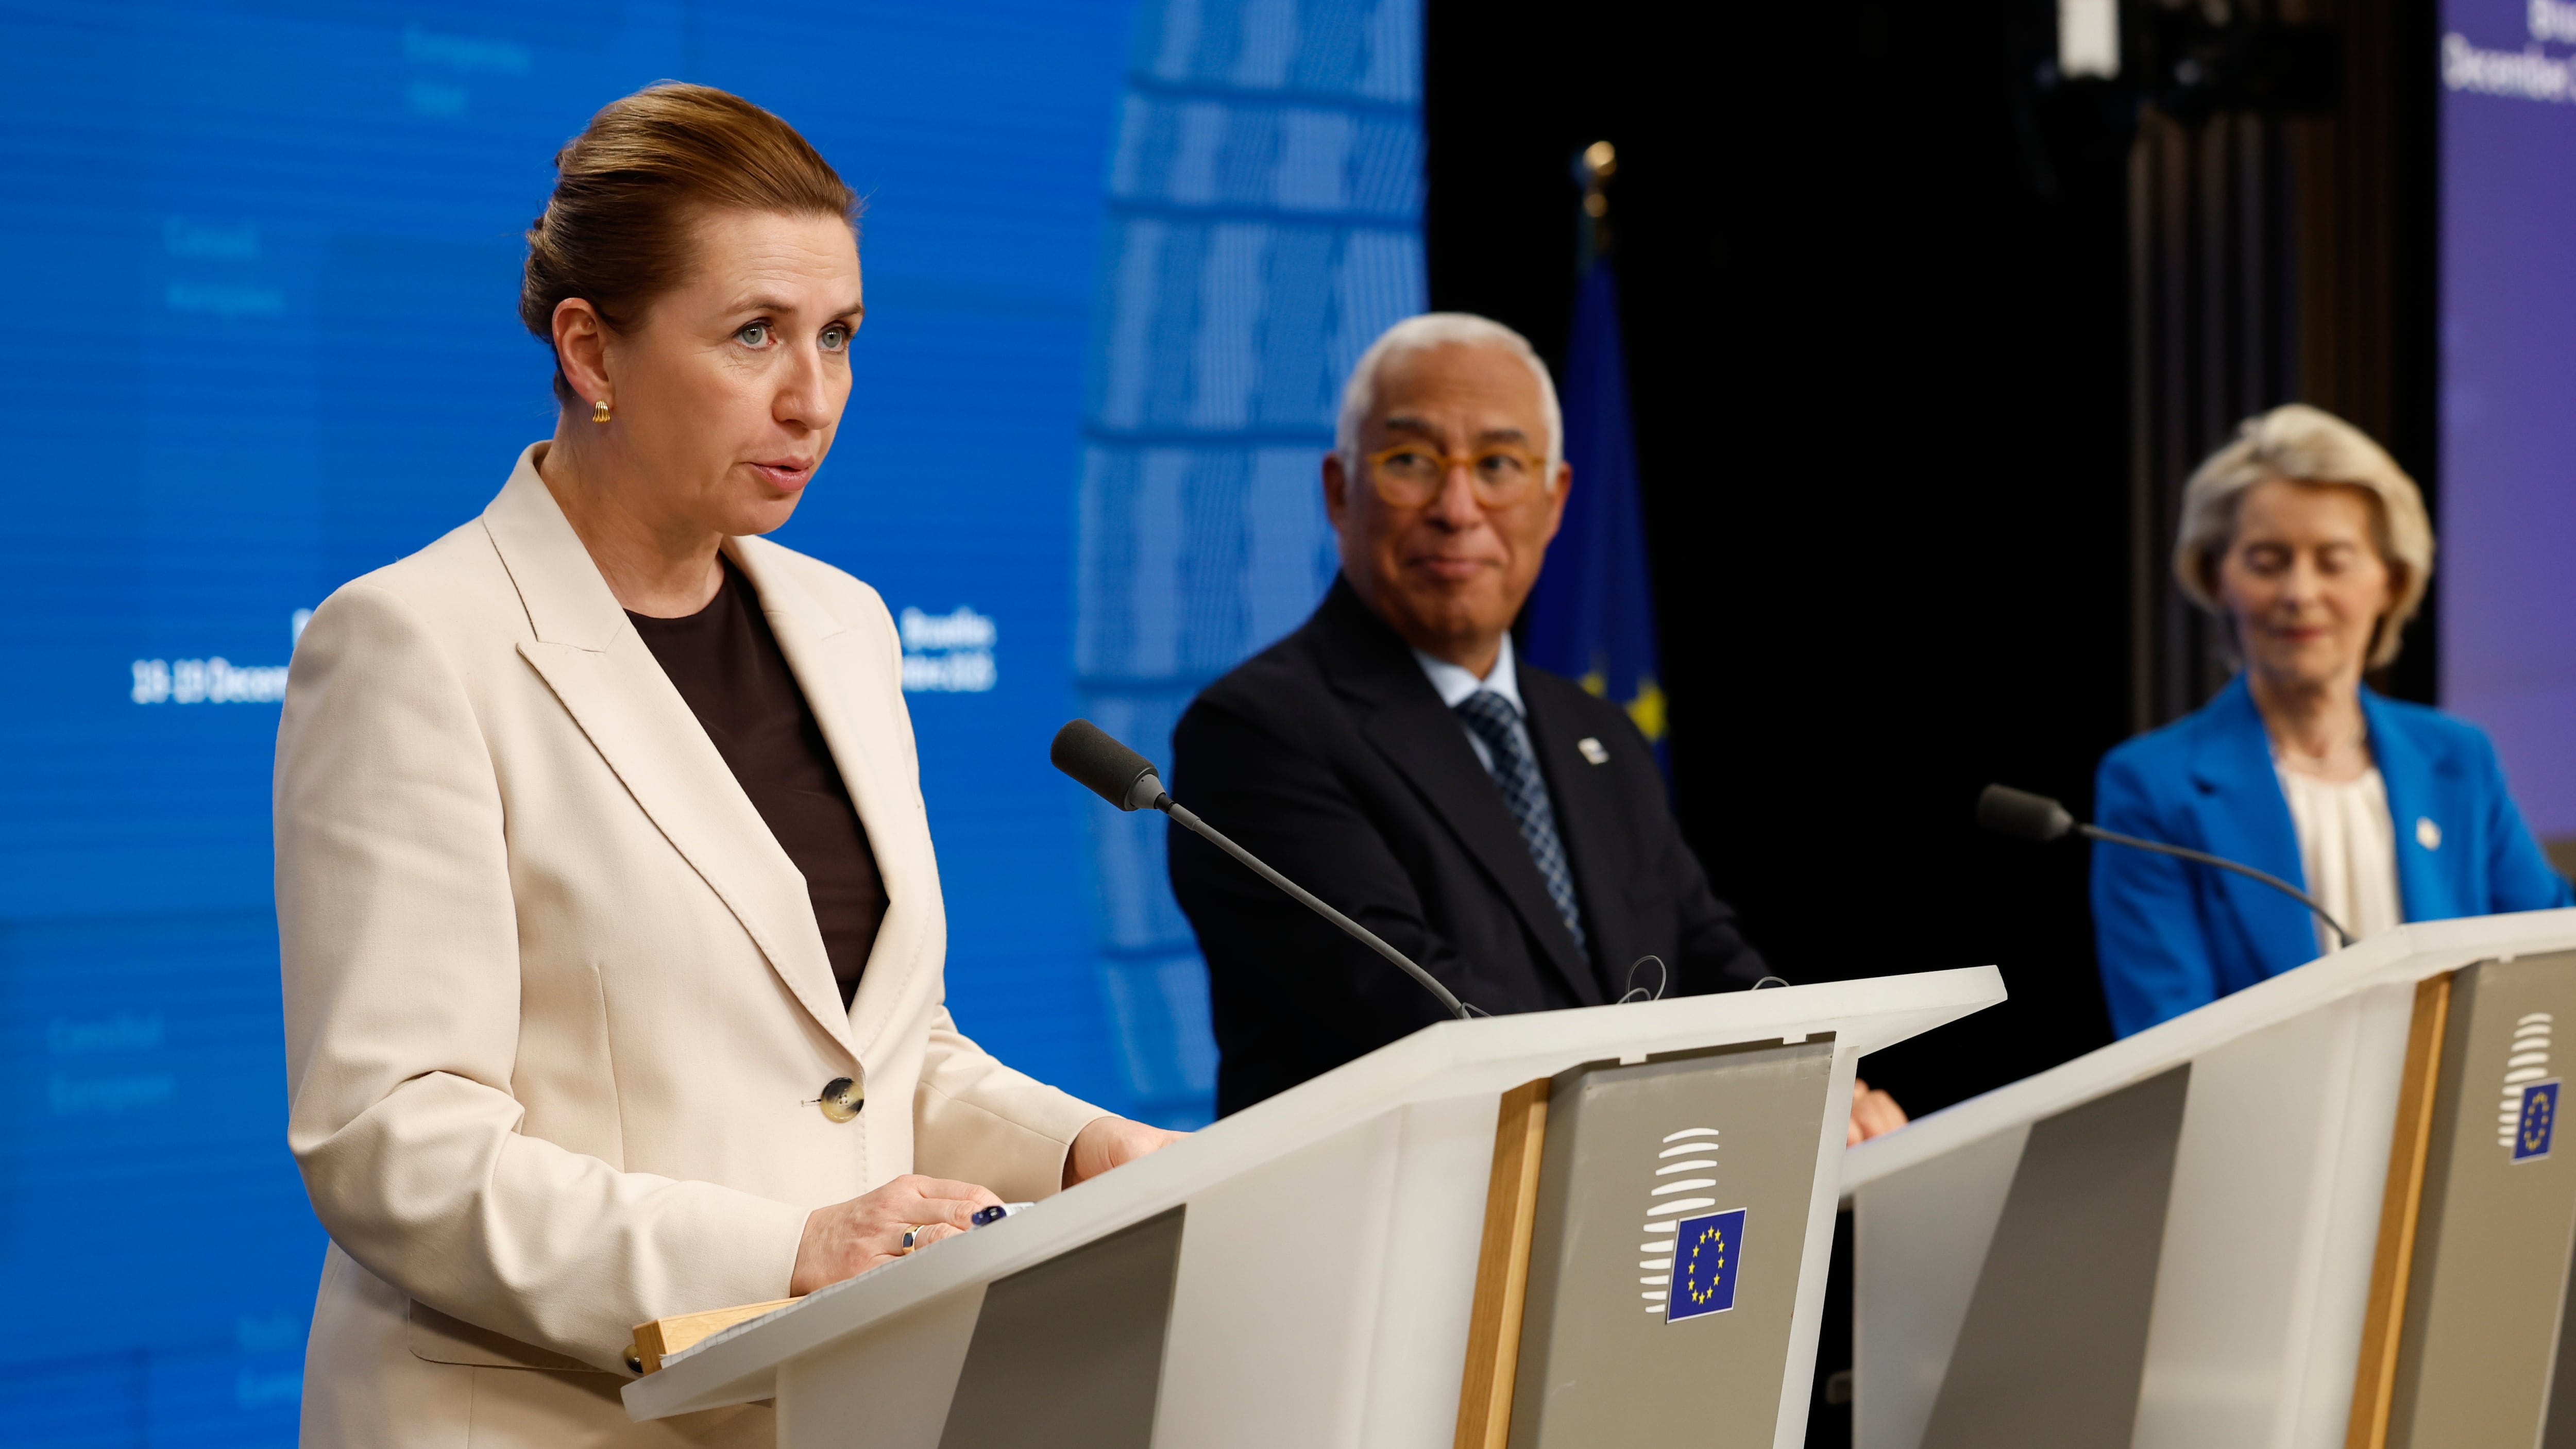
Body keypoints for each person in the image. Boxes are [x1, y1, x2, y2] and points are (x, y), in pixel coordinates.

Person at [274, 85, 1180, 1446]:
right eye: (754, 333)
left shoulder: (843, 624)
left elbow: (875, 1058)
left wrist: (1079, 1150)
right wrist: (789, 1250)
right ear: (591, 348)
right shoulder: (414, 641)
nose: (811, 398)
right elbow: (395, 1145)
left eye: (838, 335)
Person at [1164, 313, 1906, 1140]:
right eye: (1410, 461)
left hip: (1627, 1195)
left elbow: (1705, 954)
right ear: (1340, 492)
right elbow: (1418, 1014)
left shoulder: (1597, 732)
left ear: (1554, 501)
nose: (1458, 508)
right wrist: (1707, 1102)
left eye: (1498, 465)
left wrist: (1815, 1076)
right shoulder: (1257, 733)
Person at [2092, 403, 2571, 1036]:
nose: (2299, 592)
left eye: (2333, 560)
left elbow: (2551, 950)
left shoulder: (2456, 758)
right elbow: (2166, 1034)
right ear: (2217, 577)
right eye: (2266, 561)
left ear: (2390, 581)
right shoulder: (2151, 784)